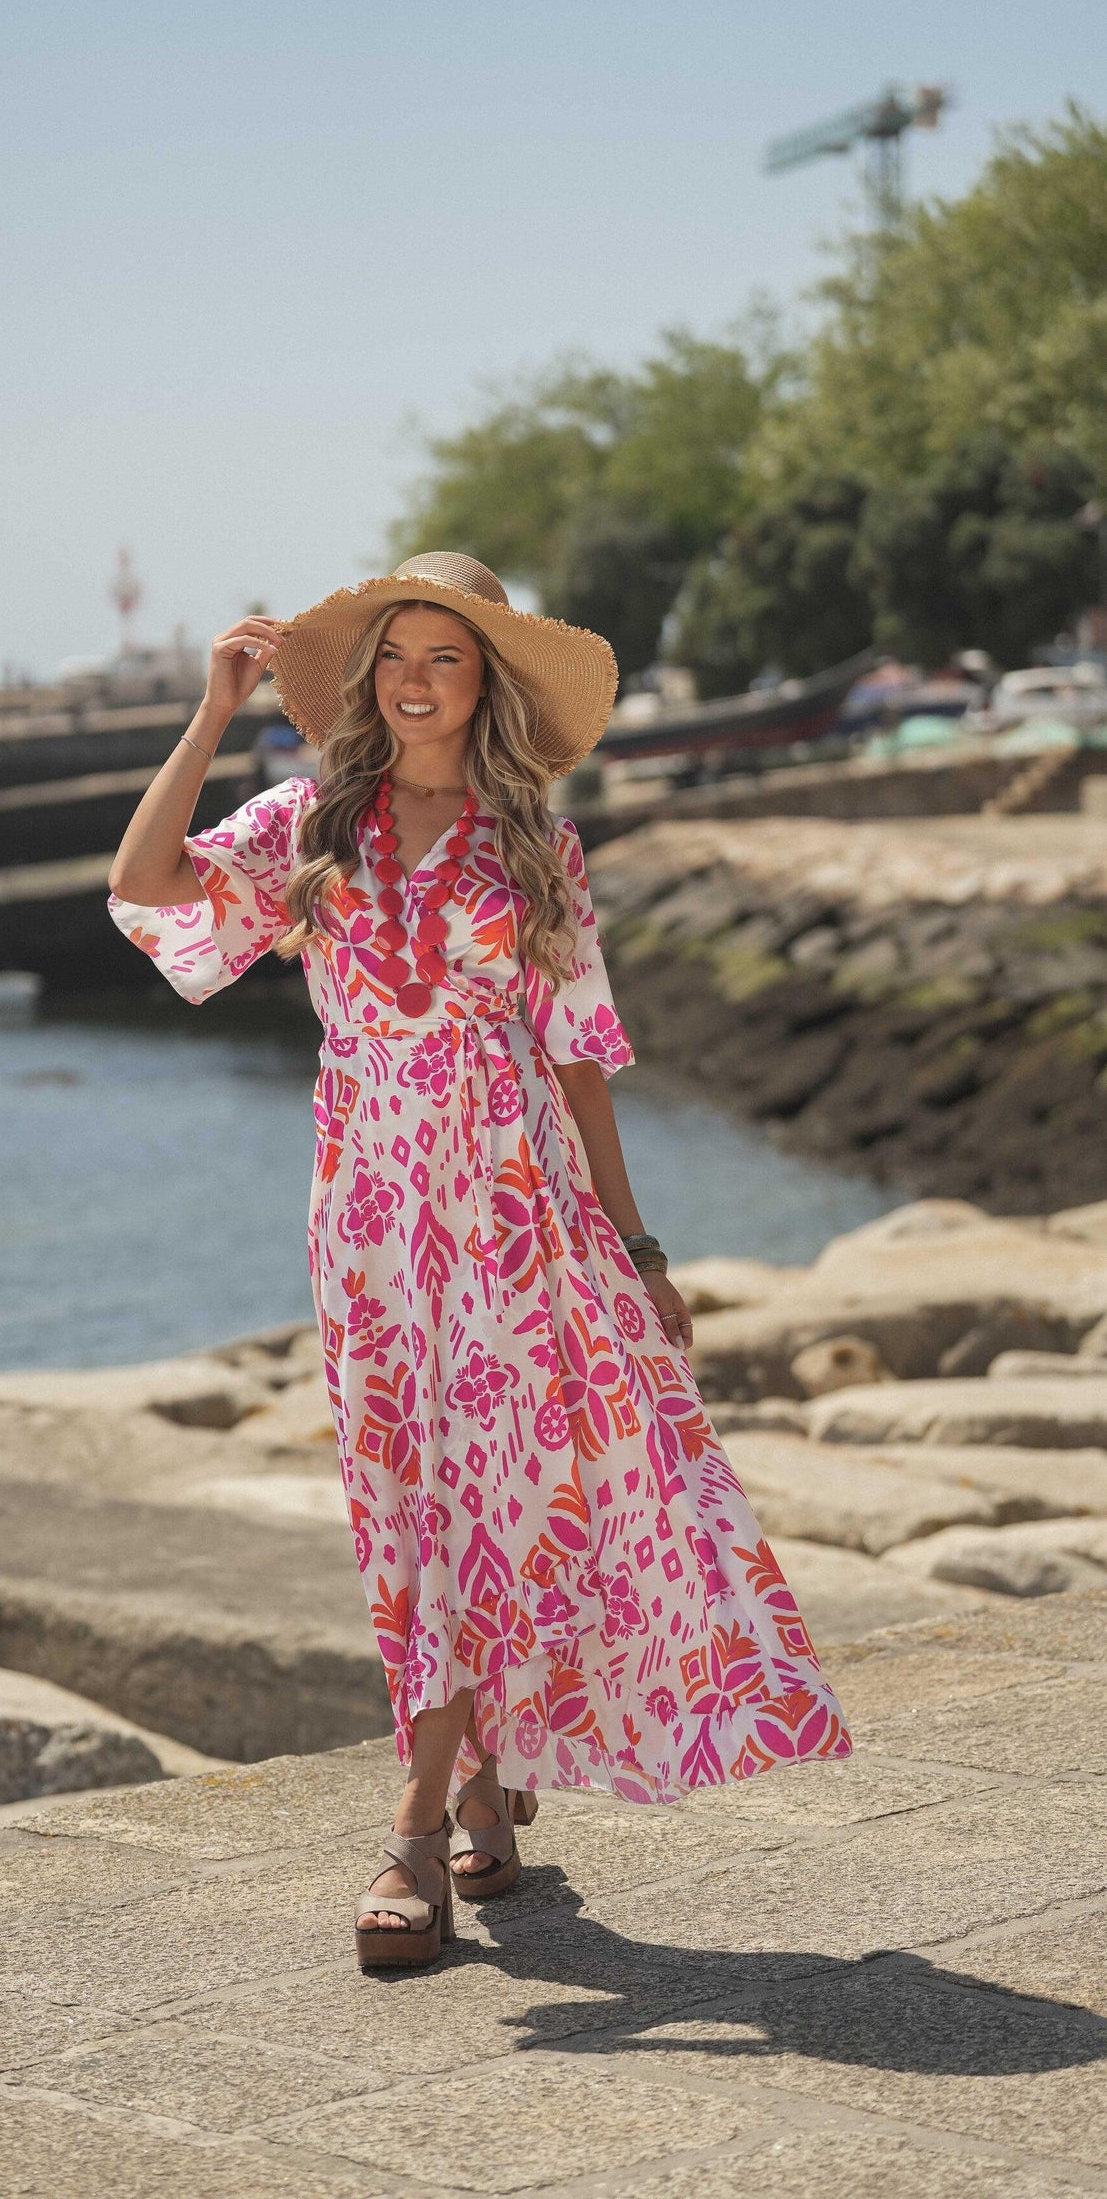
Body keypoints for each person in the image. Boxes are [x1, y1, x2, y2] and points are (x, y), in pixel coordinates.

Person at [108, 552, 852, 1974]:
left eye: (445, 656)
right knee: (407, 1504)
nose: (416, 679)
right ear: (368, 676)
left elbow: (580, 1056)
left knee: (496, 1497)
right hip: (372, 1211)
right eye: (396, 654)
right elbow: (143, 882)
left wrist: (638, 1245)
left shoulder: (532, 844)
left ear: (485, 680)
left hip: (517, 1209)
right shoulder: (311, 824)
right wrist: (211, 714)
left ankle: (414, 1823)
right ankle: (486, 1780)